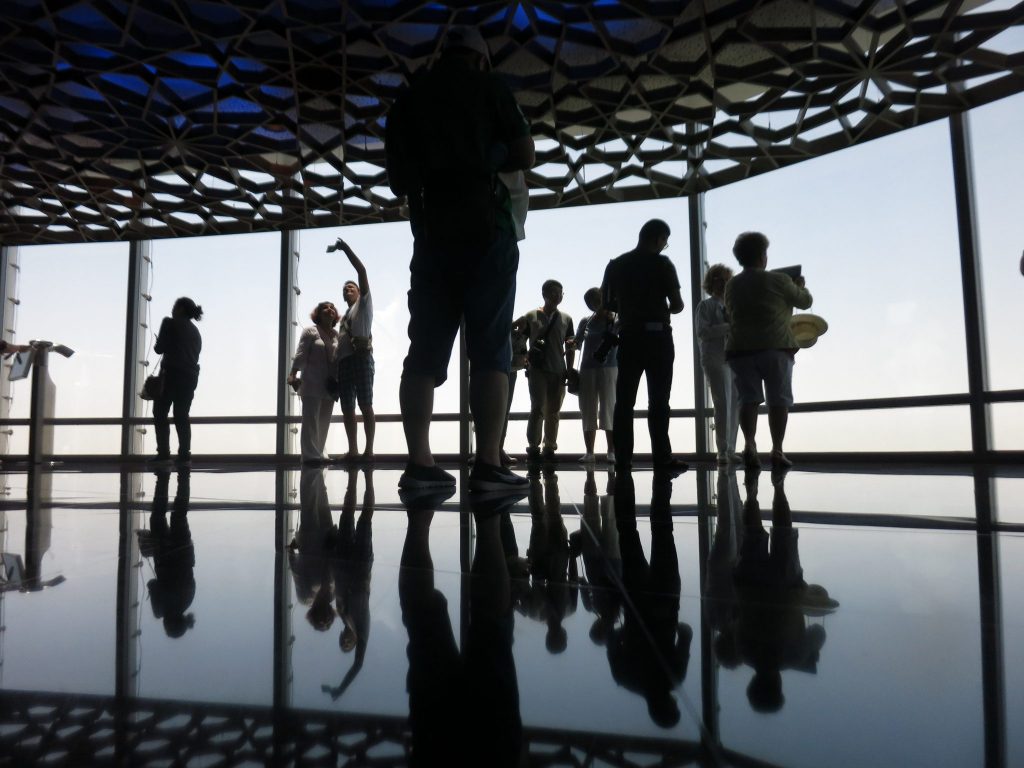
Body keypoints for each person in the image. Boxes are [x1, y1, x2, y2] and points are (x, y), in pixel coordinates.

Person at [386, 25, 534, 492]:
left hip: (431, 238)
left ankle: (420, 464)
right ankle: (488, 463)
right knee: (492, 350)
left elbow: (397, 181)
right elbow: (524, 152)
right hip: (488, 233)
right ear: (481, 59)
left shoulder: (409, 101)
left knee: (423, 355)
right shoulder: (492, 90)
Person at [601, 219, 687, 473]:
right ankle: (662, 457)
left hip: (629, 337)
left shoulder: (616, 265)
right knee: (659, 400)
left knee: (624, 401)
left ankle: (623, 458)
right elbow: (678, 303)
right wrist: (663, 308)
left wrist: (630, 308)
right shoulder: (663, 264)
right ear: (659, 238)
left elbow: (608, 303)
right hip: (658, 338)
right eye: (665, 241)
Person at [724, 232, 812, 468]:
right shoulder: (781, 280)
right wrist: (799, 286)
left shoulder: (731, 285)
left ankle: (750, 444)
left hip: (740, 348)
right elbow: (805, 301)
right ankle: (777, 450)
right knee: (778, 400)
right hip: (775, 346)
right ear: (763, 256)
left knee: (748, 399)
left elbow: (728, 314)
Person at [516, 280, 575, 462]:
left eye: (560, 293)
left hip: (558, 370)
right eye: (554, 293)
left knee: (554, 411)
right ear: (544, 294)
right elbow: (520, 340)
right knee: (537, 408)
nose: (558, 296)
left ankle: (549, 446)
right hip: (538, 371)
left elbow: (570, 345)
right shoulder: (531, 316)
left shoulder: (566, 319)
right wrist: (525, 359)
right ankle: (533, 446)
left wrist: (570, 368)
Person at [331, 238, 376, 461]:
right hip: (346, 362)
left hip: (361, 358)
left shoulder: (364, 304)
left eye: (351, 287)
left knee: (366, 404)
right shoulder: (344, 318)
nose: (347, 289)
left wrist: (345, 248)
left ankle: (368, 451)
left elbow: (361, 269)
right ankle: (354, 450)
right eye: (344, 289)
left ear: (359, 291)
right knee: (347, 407)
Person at [696, 264, 741, 463]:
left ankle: (731, 449)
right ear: (711, 282)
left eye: (726, 280)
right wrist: (728, 326)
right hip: (715, 358)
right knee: (722, 402)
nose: (723, 283)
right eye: (719, 279)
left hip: (734, 358)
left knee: (735, 404)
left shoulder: (733, 307)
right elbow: (703, 332)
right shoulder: (705, 306)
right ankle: (722, 451)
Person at [288, 301, 340, 464]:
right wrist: (293, 374)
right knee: (310, 419)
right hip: (311, 382)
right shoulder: (310, 331)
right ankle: (310, 456)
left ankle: (320, 453)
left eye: (332, 307)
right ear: (318, 314)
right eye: (325, 307)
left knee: (324, 421)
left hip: (330, 384)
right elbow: (301, 354)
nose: (329, 309)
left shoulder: (336, 335)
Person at [153, 297, 203, 464]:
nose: (172, 309)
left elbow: (159, 348)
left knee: (160, 413)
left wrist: (158, 343)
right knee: (181, 415)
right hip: (189, 378)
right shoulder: (196, 332)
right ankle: (184, 454)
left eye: (174, 306)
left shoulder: (169, 322)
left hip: (171, 375)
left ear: (180, 309)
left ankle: (163, 453)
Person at [575, 287, 618, 464]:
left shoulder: (615, 319)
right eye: (592, 301)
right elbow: (577, 343)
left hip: (610, 367)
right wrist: (572, 343)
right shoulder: (586, 321)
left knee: (609, 407)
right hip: (587, 368)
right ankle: (590, 452)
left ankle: (611, 452)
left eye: (598, 299)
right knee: (588, 409)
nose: (596, 304)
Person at [499, 324, 529, 467]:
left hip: (507, 368)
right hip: (505, 368)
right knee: (501, 410)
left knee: (503, 410)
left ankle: (494, 449)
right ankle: (493, 449)